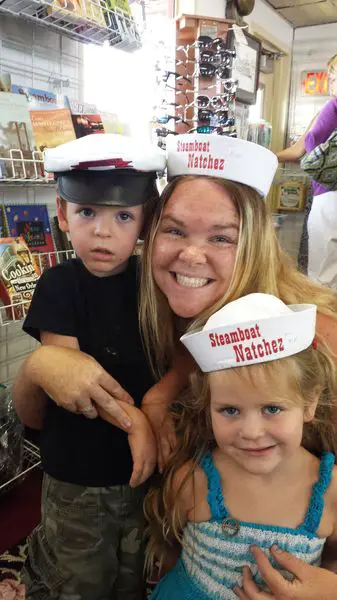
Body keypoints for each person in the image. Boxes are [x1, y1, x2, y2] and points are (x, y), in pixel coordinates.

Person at [13, 134, 337, 599]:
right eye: (175, 230)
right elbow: (36, 417)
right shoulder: (150, 305)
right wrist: (41, 364)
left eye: (221, 237)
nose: (190, 255)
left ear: (253, 244)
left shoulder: (313, 340)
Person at [19, 133, 167, 600]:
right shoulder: (59, 284)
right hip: (77, 474)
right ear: (63, 215)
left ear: (145, 222)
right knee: (75, 580)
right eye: (87, 213)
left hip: (140, 472)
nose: (103, 231)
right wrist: (136, 421)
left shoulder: (153, 285)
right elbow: (74, 378)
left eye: (123, 216)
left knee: (132, 579)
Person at [145, 292, 337, 599]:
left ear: (310, 402)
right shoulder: (192, 480)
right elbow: (172, 551)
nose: (251, 432)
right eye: (230, 410)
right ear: (208, 407)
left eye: (272, 409)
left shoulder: (331, 491)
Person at [277, 54, 337, 287]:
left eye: (333, 76)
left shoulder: (332, 107)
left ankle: (321, 322)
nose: (331, 82)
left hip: (329, 199)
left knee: (321, 278)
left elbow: (298, 151)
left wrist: (264, 156)